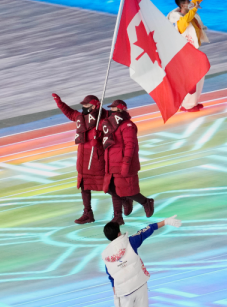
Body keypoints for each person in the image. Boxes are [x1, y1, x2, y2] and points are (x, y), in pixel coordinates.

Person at [102, 215, 182, 306]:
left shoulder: (106, 257)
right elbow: (146, 231)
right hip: (140, 285)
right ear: (119, 234)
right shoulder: (131, 242)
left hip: (124, 293)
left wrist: (116, 296)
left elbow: (112, 278)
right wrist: (165, 222)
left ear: (108, 237)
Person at [52, 93, 108, 224]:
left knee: (107, 185)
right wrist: (59, 103)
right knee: (84, 186)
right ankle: (88, 213)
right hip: (83, 158)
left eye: (87, 105)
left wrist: (99, 136)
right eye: (83, 105)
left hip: (96, 158)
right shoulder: (80, 117)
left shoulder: (103, 119)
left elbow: (110, 134)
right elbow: (69, 112)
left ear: (95, 106)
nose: (84, 107)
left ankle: (124, 200)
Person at [100, 100, 155, 224]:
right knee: (112, 189)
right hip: (110, 162)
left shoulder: (127, 126)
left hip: (122, 163)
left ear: (120, 110)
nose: (111, 112)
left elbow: (130, 146)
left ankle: (146, 202)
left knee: (129, 190)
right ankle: (118, 216)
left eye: (114, 109)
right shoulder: (109, 125)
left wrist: (126, 164)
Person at [167, 0, 210, 112]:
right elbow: (187, 19)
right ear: (182, 5)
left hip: (192, 52)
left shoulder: (188, 9)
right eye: (188, 1)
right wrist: (195, 8)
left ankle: (193, 102)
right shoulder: (180, 21)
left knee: (199, 76)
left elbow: (194, 2)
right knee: (192, 79)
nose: (190, 2)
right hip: (186, 54)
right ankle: (187, 105)